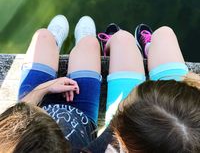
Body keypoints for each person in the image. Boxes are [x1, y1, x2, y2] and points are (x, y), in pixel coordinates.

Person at [86, 24, 200, 153]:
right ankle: (148, 48)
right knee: (164, 33)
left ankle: (109, 48)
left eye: (124, 108)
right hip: (181, 116)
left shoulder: (112, 142)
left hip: (125, 131)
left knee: (122, 39)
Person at [0, 15, 102, 153]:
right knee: (90, 44)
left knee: (43, 37)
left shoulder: (11, 144)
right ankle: (83, 39)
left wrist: (46, 88)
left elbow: (17, 114)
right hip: (81, 119)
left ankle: (54, 41)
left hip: (35, 109)